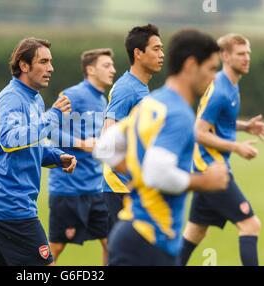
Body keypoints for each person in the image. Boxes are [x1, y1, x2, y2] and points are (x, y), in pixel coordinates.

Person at [95, 29, 228, 266]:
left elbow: (105, 147)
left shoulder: (154, 101)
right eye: (211, 68)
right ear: (190, 66)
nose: (215, 77)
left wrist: (137, 174)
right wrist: (204, 182)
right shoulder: (178, 114)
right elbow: (158, 171)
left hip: (133, 233)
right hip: (150, 241)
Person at [0, 38, 77, 266]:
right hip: (12, 207)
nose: (50, 68)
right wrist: (53, 116)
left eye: (51, 62)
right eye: (43, 62)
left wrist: (56, 157)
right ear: (24, 66)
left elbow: (29, 145)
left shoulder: (34, 99)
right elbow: (10, 140)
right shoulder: (11, 98)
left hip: (3, 206)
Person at [181, 33, 264, 266]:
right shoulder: (219, 90)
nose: (247, 58)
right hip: (211, 171)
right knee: (251, 225)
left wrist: (245, 127)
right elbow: (198, 132)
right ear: (225, 56)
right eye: (241, 54)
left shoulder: (231, 85)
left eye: (248, 53)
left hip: (208, 169)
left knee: (195, 233)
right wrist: (237, 147)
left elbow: (219, 124)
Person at [48, 48, 116, 265]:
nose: (112, 70)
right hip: (68, 188)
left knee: (112, 244)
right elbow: (48, 129)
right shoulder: (72, 95)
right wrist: (81, 144)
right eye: (106, 65)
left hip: (96, 188)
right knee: (55, 248)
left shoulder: (103, 100)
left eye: (112, 65)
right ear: (90, 70)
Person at [102, 24, 164, 231]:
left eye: (161, 49)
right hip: (121, 187)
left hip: (134, 186)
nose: (161, 54)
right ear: (138, 53)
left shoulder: (139, 87)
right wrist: (132, 174)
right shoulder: (126, 89)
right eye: (156, 49)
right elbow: (107, 141)